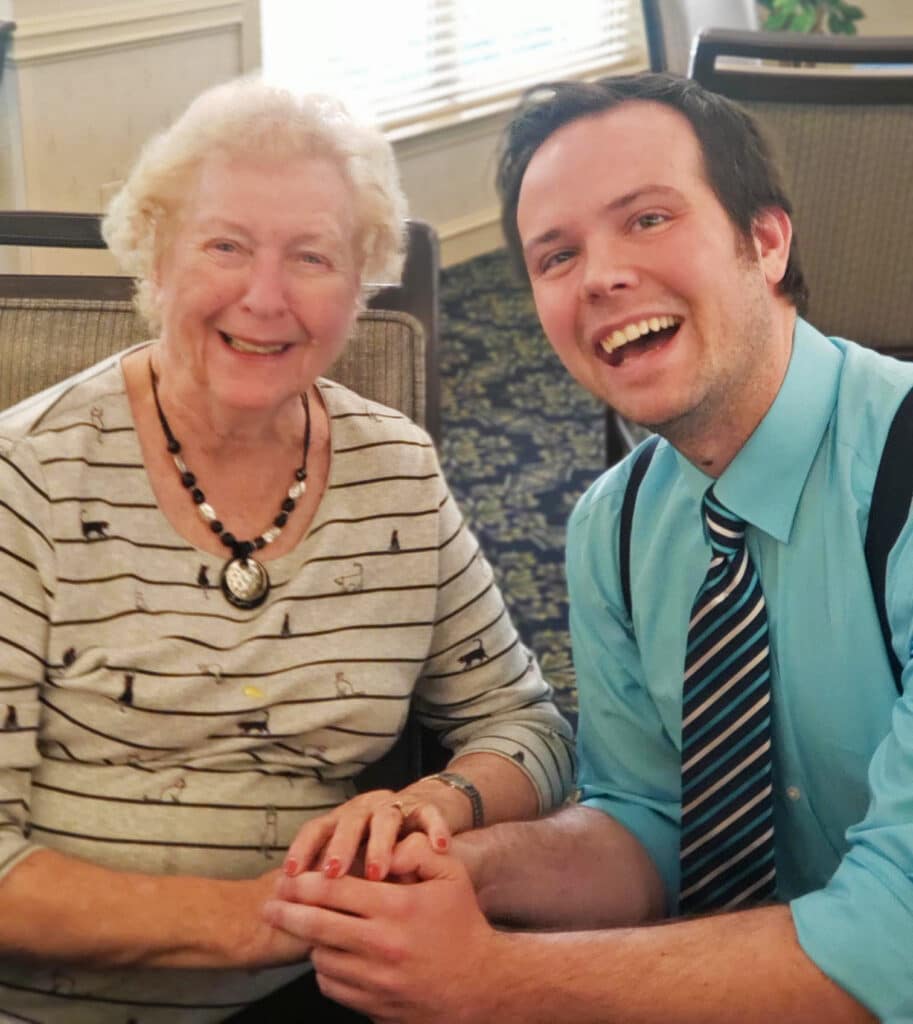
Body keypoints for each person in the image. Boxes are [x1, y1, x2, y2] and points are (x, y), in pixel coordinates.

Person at [264, 73, 913, 1023]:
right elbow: (649, 826)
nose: (601, 275)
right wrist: (455, 862)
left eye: (647, 219)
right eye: (556, 255)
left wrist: (494, 982)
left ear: (765, 242)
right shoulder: (614, 524)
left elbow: (897, 936)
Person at [0, 77, 575, 1022]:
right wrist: (265, 921)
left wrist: (432, 805)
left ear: (359, 289)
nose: (264, 298)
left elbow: (529, 728)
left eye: (311, 257)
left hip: (330, 986)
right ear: (155, 258)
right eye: (224, 245)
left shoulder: (396, 469)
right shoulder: (29, 476)